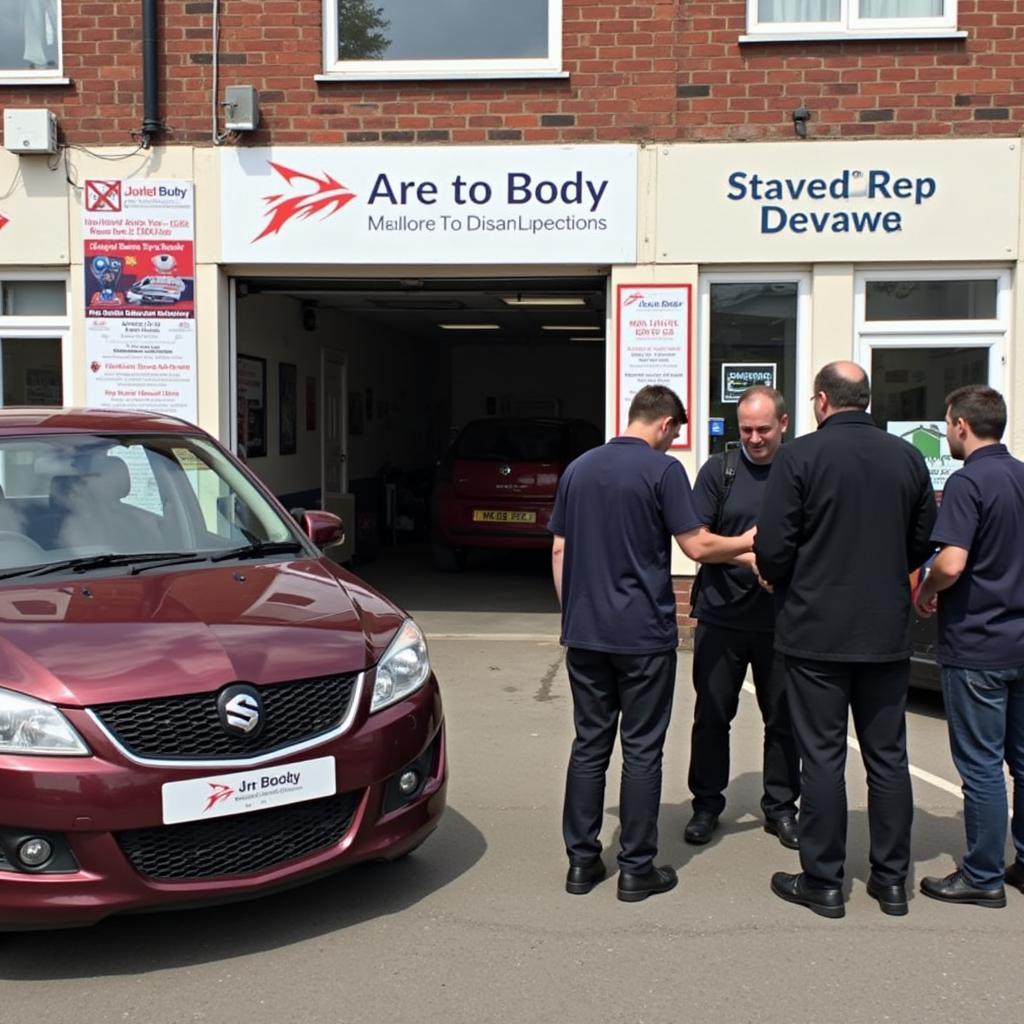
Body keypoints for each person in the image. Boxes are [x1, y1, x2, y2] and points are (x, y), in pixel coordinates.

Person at [550, 385, 755, 902]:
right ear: (664, 424)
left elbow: (559, 548)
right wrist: (750, 544)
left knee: (589, 744)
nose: (674, 444)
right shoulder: (662, 472)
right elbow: (697, 544)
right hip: (642, 635)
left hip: (586, 632)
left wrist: (573, 612)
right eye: (676, 434)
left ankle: (581, 862)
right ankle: (637, 868)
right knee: (642, 750)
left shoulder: (578, 468)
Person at [754, 362, 936, 919]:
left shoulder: (800, 456)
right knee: (888, 758)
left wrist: (778, 572)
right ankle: (891, 881)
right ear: (864, 400)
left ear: (821, 402)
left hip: (815, 632)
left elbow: (775, 547)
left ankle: (824, 882)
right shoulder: (906, 456)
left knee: (823, 758)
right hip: (884, 631)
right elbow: (922, 538)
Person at [913, 385, 1024, 908]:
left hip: (978, 642)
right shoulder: (1021, 476)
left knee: (980, 764)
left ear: (960, 424)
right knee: (1021, 762)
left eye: (947, 423)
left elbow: (952, 562)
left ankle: (982, 874)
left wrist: (926, 590)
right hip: (1020, 640)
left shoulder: (968, 481)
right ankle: (1022, 861)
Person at [685, 386, 801, 849]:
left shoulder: (799, 471)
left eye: (764, 430)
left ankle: (781, 808)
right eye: (746, 430)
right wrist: (751, 553)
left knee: (783, 719)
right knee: (711, 715)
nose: (754, 439)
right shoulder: (719, 471)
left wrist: (779, 564)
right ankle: (705, 805)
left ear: (784, 425)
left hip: (781, 621)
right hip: (721, 616)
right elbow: (699, 541)